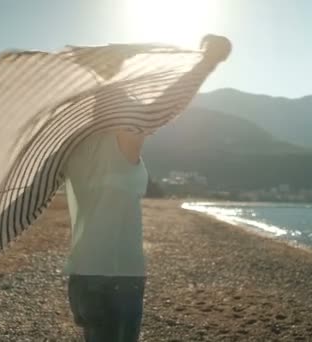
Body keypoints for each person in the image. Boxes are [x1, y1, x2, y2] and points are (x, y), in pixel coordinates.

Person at [62, 35, 231, 342]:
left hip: (82, 274)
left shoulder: (72, 148)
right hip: (119, 274)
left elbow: (19, 193)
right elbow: (165, 106)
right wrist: (208, 63)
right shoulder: (125, 139)